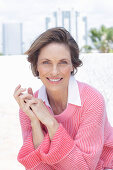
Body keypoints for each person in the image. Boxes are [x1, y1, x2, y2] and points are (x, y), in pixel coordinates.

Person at [13, 27, 113, 170]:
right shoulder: (29, 107)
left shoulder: (91, 100)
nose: (54, 72)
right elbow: (39, 167)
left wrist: (51, 123)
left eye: (63, 62)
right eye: (46, 62)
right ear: (36, 66)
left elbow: (83, 168)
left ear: (73, 65)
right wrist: (35, 122)